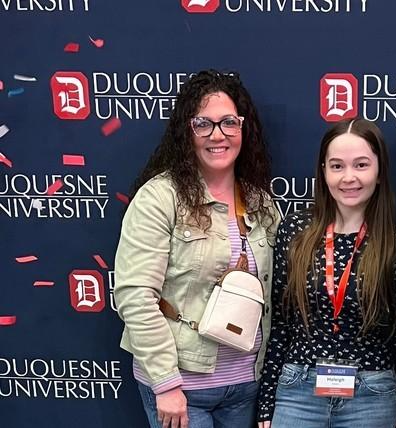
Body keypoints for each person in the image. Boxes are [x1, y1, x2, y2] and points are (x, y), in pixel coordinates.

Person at [114, 70, 279, 428]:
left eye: (228, 123)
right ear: (186, 131)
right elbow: (135, 296)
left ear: (242, 128)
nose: (217, 135)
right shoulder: (159, 199)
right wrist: (166, 383)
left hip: (246, 385)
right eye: (203, 123)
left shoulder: (261, 203)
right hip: (182, 388)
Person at [256, 118, 396, 428]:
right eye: (337, 166)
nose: (349, 177)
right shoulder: (295, 231)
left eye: (361, 165)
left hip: (371, 393)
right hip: (298, 390)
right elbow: (280, 323)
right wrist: (266, 404)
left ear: (378, 172)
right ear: (323, 171)